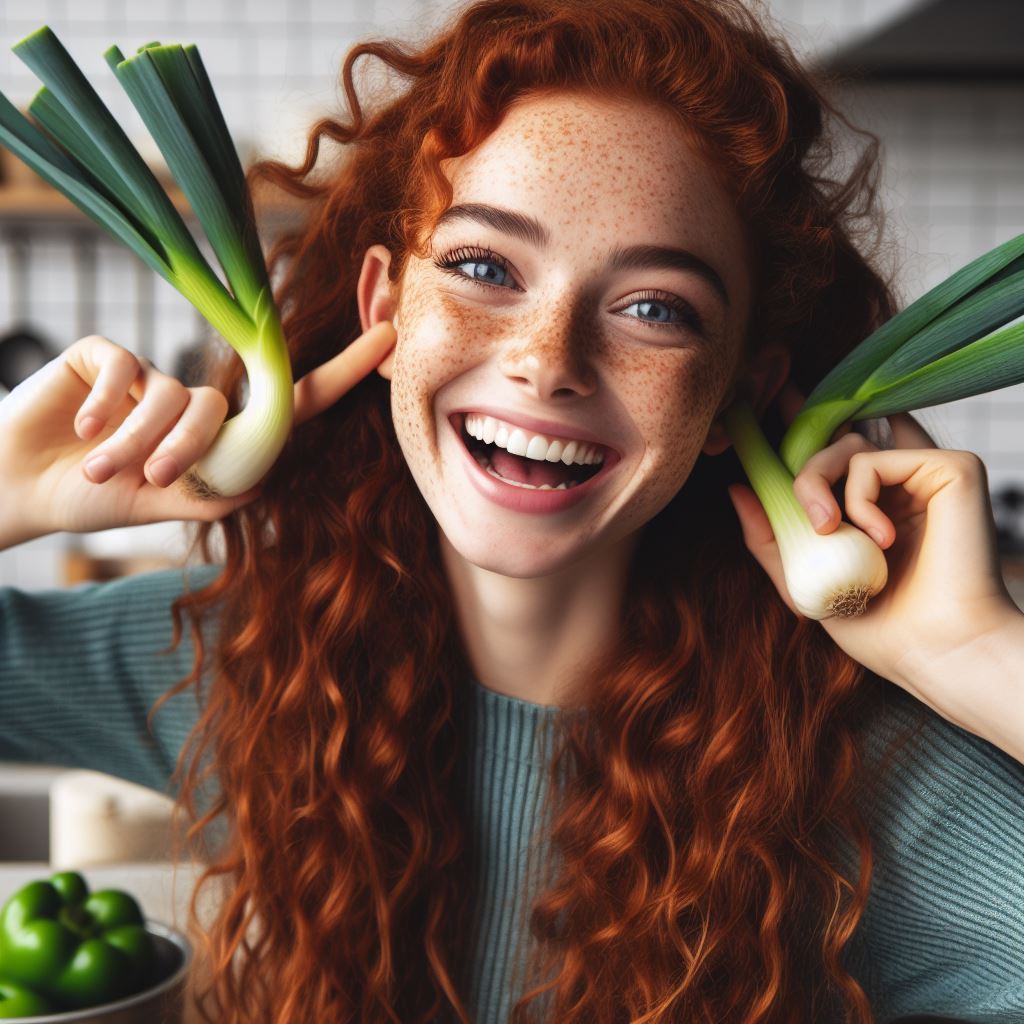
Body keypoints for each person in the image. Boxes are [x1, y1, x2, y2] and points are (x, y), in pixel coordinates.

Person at [0, 0, 1021, 1021]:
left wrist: (975, 655)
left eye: (654, 308)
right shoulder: (246, 658)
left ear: (737, 396)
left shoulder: (848, 775)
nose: (546, 361)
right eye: (483, 268)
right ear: (383, 306)